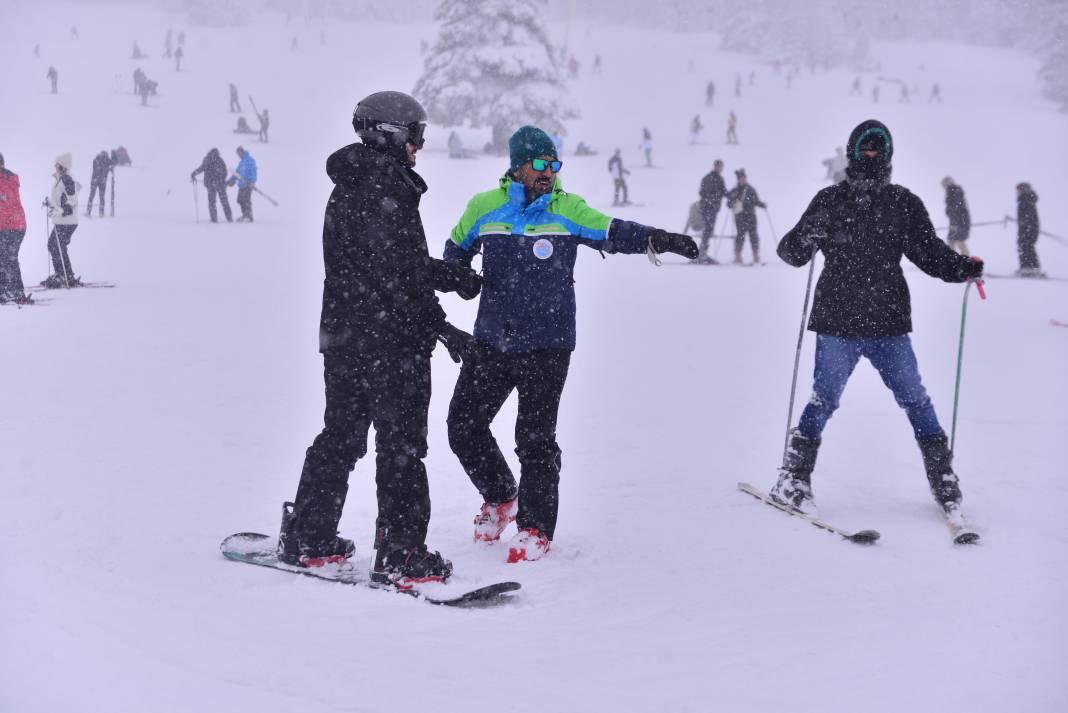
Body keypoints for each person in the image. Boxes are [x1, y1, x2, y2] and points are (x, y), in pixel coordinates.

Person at [441, 125, 698, 564]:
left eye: (555, 165)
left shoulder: (567, 208)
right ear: (517, 165)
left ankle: (536, 529)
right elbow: (455, 250)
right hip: (492, 341)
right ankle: (502, 497)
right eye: (540, 164)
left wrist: (661, 238)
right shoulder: (484, 207)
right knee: (462, 425)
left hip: (548, 343)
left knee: (535, 438)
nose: (549, 173)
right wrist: (459, 277)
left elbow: (614, 231)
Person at [277, 91, 480, 588]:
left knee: (342, 434)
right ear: (391, 134)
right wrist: (443, 313)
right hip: (390, 344)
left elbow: (388, 269)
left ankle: (309, 536)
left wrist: (440, 293)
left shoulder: (354, 182)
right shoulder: (383, 186)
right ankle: (401, 552)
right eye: (416, 135)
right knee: (402, 446)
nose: (420, 145)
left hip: (347, 336)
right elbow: (400, 274)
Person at [772, 119, 983, 521]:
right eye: (864, 149)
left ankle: (943, 477)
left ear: (887, 155)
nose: (871, 155)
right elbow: (791, 253)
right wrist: (808, 234)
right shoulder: (829, 200)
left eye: (878, 150)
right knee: (823, 400)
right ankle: (792, 477)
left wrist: (962, 268)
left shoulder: (904, 203)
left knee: (916, 400)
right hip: (837, 320)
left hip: (888, 322)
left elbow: (929, 253)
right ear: (853, 153)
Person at [41, 153, 81, 288]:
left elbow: (72, 200)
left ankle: (64, 275)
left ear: (62, 165)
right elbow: (60, 199)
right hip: (62, 221)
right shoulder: (60, 179)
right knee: (55, 246)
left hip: (68, 221)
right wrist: (51, 204)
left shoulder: (67, 179)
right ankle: (63, 274)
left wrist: (61, 210)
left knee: (56, 246)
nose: (54, 165)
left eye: (57, 163)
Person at [0, 153, 31, 303]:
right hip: (18, 225)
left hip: (7, 226)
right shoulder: (10, 178)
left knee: (5, 257)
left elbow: (5, 206)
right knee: (9, 257)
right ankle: (14, 289)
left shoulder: (3, 180)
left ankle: (8, 290)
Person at [726, 168, 765, 264]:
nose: (743, 179)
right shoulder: (734, 190)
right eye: (741, 178)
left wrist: (762, 205)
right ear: (738, 179)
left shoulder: (751, 189)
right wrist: (732, 199)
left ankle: (756, 256)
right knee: (740, 236)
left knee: (754, 236)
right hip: (740, 217)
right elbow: (729, 205)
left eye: (744, 178)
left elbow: (756, 201)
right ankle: (738, 256)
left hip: (751, 216)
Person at [190, 148, 233, 223]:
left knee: (212, 202)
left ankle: (214, 218)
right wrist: (221, 179)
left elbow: (201, 168)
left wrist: (194, 173)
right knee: (224, 201)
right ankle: (229, 217)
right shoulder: (220, 160)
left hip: (210, 185)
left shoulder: (207, 160)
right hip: (220, 184)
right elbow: (225, 172)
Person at [697, 159, 726, 262]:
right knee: (708, 229)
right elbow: (702, 192)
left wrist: (732, 195)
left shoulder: (720, 179)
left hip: (713, 208)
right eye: (720, 166)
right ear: (715, 166)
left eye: (722, 167)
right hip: (707, 208)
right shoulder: (708, 178)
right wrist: (712, 197)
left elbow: (724, 192)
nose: (721, 168)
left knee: (709, 229)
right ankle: (702, 253)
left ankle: (702, 252)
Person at [1015, 182, 1042, 277]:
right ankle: (1028, 268)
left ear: (1024, 190)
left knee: (1025, 246)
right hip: (1028, 228)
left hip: (1028, 228)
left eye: (1018, 190)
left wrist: (1025, 223)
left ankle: (1030, 268)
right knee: (1025, 246)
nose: (1017, 192)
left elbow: (1029, 215)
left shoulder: (1025, 199)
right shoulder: (1026, 199)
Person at [942, 177, 970, 256]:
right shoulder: (951, 193)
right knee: (951, 240)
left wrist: (950, 211)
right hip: (955, 222)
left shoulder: (955, 192)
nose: (944, 188)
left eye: (944, 185)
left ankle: (967, 261)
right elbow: (953, 208)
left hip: (960, 222)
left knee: (959, 241)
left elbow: (958, 207)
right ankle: (951, 260)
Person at [229, 146, 257, 222]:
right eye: (237, 154)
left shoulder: (250, 160)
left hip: (248, 184)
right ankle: (245, 215)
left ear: (242, 152)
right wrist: (231, 181)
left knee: (246, 200)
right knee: (240, 200)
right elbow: (237, 173)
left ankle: (249, 216)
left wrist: (252, 181)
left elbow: (253, 172)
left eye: (239, 153)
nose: (238, 155)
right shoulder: (241, 162)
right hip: (241, 185)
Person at [85, 150, 112, 218]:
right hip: (102, 181)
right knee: (102, 197)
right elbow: (111, 165)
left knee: (92, 196)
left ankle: (88, 211)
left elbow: (95, 169)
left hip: (95, 180)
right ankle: (101, 212)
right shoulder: (107, 161)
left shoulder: (96, 160)